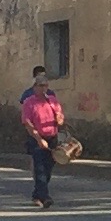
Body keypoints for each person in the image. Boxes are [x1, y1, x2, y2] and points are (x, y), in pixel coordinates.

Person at [18, 67, 66, 209]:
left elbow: (60, 118)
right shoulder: (29, 102)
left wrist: (59, 118)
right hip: (37, 138)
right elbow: (28, 123)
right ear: (35, 87)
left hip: (52, 137)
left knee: (48, 168)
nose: (43, 88)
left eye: (45, 86)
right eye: (40, 86)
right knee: (39, 168)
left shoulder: (52, 100)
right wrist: (39, 139)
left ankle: (37, 195)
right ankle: (45, 197)